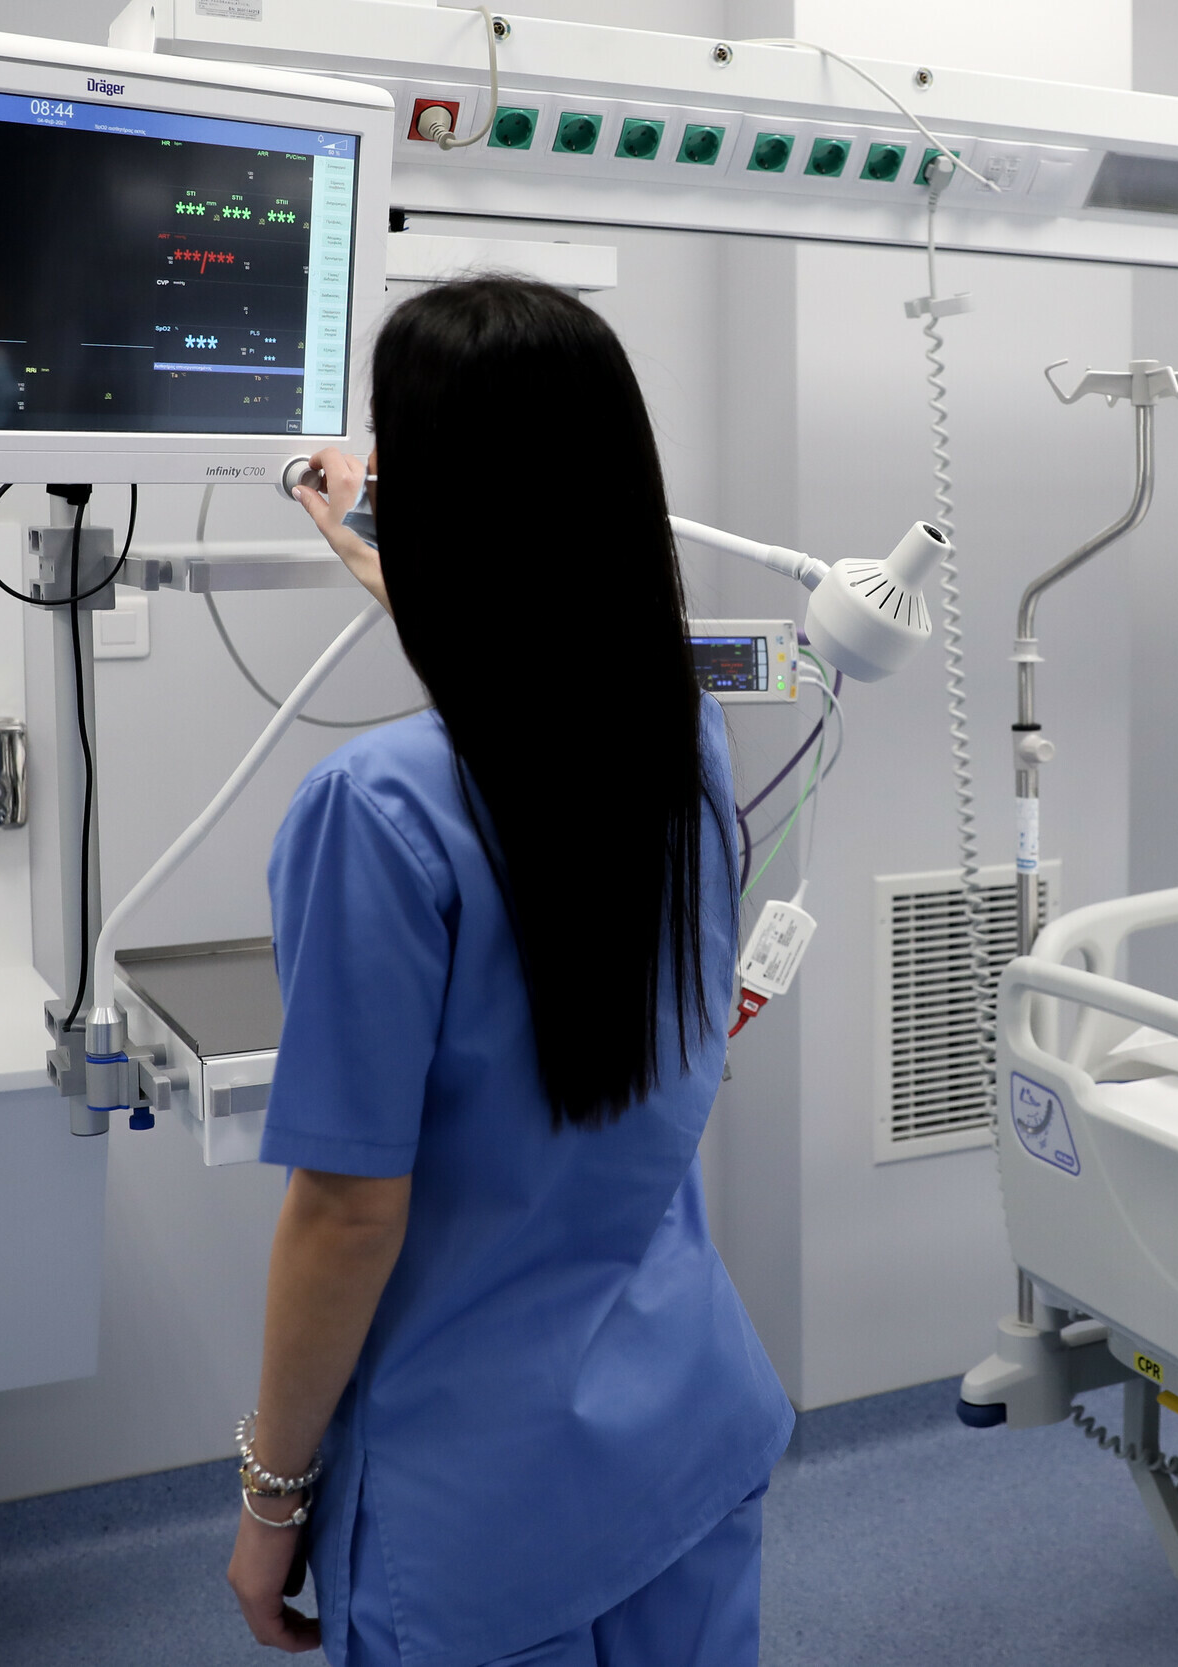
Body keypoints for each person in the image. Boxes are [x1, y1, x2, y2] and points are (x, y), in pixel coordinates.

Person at [224, 275, 794, 1667]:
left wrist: (272, 1498)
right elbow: (531, 673)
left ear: (442, 510)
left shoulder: (374, 814)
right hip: (685, 1425)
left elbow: (346, 1214)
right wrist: (376, 545)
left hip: (477, 1504)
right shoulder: (679, 734)